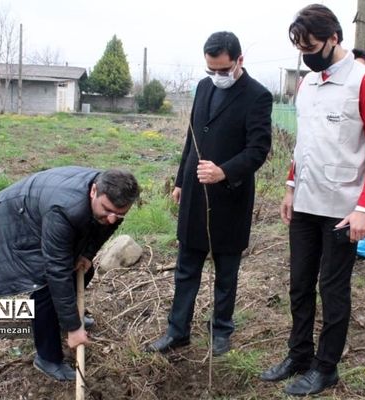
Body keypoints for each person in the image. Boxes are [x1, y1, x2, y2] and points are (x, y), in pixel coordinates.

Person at [259, 4, 365, 397]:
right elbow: (304, 144)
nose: (307, 54)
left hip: (342, 210)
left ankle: (326, 367)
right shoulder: (308, 83)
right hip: (304, 202)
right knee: (299, 285)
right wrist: (289, 186)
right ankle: (298, 355)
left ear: (334, 38)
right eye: (301, 48)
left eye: (312, 45)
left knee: (332, 290)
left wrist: (364, 208)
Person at [145, 31, 272, 356]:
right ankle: (177, 331)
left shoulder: (257, 96)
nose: (217, 77)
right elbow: (192, 138)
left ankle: (221, 330)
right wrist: (179, 181)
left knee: (225, 273)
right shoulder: (203, 88)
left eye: (224, 70)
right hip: (194, 195)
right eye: (211, 70)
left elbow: (258, 149)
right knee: (186, 268)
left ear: (239, 61)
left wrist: (224, 171)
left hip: (231, 197)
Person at [0, 166, 140, 381]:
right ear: (93, 191)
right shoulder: (63, 209)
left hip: (47, 205)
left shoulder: (110, 200)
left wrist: (86, 253)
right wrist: (74, 328)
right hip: (16, 215)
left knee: (82, 270)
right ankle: (47, 358)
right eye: (107, 210)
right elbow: (56, 271)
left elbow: (106, 227)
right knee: (44, 287)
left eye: (120, 214)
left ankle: (62, 316)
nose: (113, 219)